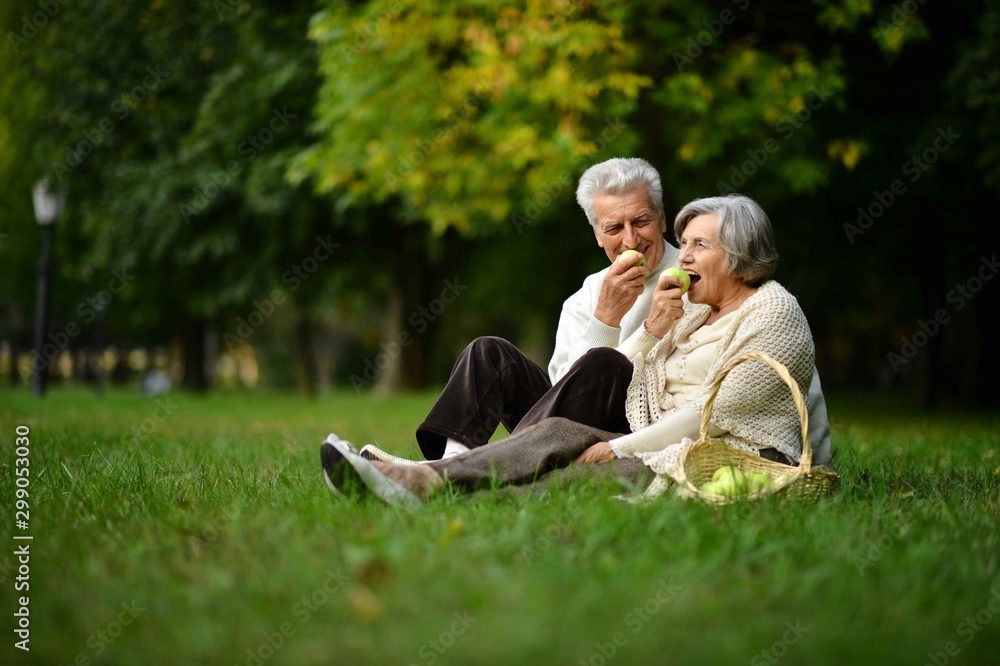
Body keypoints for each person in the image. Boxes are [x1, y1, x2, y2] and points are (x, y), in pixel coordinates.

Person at [322, 194, 824, 506]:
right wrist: (625, 322)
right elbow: (569, 384)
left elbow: (725, 407)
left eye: (698, 246)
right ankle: (432, 473)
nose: (682, 254)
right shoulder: (642, 301)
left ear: (737, 257)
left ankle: (425, 483)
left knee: (582, 463)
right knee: (508, 373)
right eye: (613, 227)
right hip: (623, 423)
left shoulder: (770, 311)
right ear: (596, 233)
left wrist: (618, 445)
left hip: (682, 445)